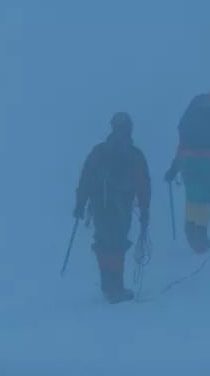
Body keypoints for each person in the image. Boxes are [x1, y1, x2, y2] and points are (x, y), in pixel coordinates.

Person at [73, 112, 151, 304]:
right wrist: (144, 211)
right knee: (117, 244)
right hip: (122, 205)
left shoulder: (99, 151)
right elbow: (143, 184)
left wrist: (80, 203)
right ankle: (116, 287)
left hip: (99, 203)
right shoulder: (135, 155)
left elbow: (87, 176)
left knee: (103, 241)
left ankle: (107, 285)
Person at [164, 89, 210, 254]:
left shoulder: (193, 114)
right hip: (208, 162)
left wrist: (175, 167)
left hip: (188, 161)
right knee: (204, 198)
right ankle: (201, 237)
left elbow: (182, 143)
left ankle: (190, 230)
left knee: (192, 195)